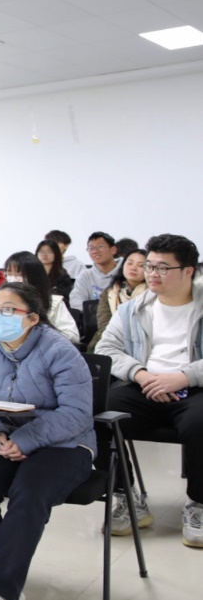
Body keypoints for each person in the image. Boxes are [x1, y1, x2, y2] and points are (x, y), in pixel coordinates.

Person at [0, 282, 95, 600]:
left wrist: (26, 440)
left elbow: (77, 412)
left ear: (33, 318)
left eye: (8, 310)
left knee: (29, 492)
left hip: (65, 444)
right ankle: (4, 590)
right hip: (5, 438)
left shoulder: (59, 351)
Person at [97, 234, 203, 547]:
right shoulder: (133, 309)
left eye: (162, 268)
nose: (153, 274)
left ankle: (198, 503)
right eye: (150, 266)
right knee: (99, 414)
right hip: (145, 384)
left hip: (195, 387)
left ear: (188, 271)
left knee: (200, 424)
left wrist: (183, 377)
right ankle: (126, 495)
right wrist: (142, 375)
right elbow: (107, 347)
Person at [3, 252, 80, 345]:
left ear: (34, 276)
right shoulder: (1, 303)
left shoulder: (54, 302)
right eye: (9, 274)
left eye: (19, 274)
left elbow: (73, 336)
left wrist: (40, 335)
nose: (13, 279)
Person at [86, 249, 147, 352]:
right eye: (130, 263)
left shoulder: (153, 294)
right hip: (110, 339)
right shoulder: (110, 292)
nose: (133, 268)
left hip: (143, 343)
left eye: (141, 265)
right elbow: (104, 324)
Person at [72, 232, 121, 303]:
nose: (95, 251)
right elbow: (76, 302)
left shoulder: (125, 272)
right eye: (91, 248)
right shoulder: (85, 276)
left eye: (100, 247)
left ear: (113, 250)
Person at [35, 239, 75, 305]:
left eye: (49, 251)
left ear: (56, 254)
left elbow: (62, 298)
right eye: (41, 251)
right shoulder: (31, 273)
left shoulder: (63, 276)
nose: (44, 254)